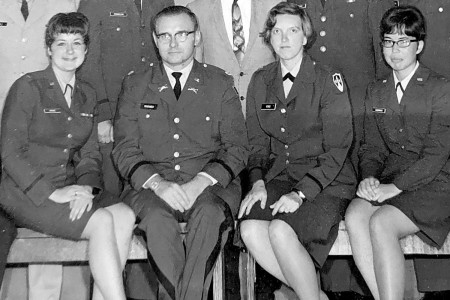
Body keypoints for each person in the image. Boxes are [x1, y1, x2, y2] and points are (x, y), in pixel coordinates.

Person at [112, 5, 248, 300]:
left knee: (210, 216)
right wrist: (158, 184)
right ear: (155, 39)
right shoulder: (136, 84)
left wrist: (201, 181)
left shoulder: (220, 83)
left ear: (197, 37)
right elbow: (124, 148)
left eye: (182, 34)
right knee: (159, 222)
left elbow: (237, 148)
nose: (173, 43)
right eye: (165, 36)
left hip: (209, 188)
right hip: (150, 188)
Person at [0, 12, 135, 300]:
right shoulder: (28, 87)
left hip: (68, 185)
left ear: (86, 50)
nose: (69, 51)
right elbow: (9, 153)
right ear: (48, 49)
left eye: (77, 43)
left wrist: (86, 188)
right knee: (101, 222)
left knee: (123, 215)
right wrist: (53, 194)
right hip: (23, 191)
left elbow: (89, 155)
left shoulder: (87, 93)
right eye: (61, 43)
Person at [238, 2, 356, 300]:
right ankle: (314, 296)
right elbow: (256, 145)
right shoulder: (260, 80)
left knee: (279, 230)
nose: (284, 38)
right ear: (269, 38)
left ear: (306, 37)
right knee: (250, 228)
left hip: (327, 182)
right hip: (281, 177)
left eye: (293, 31)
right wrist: (258, 182)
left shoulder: (328, 79)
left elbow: (338, 148)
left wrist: (300, 193)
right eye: (276, 31)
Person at [345, 5, 450, 300]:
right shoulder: (375, 91)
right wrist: (368, 178)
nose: (395, 49)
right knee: (355, 215)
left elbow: (436, 155)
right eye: (389, 41)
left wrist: (394, 188)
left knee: (381, 223)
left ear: (420, 46)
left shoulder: (441, 89)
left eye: (404, 41)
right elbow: (372, 147)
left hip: (436, 183)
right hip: (393, 180)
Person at [187, 0, 278, 116]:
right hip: (220, 115)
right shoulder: (197, 9)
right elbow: (196, 69)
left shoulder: (273, 5)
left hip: (267, 114)